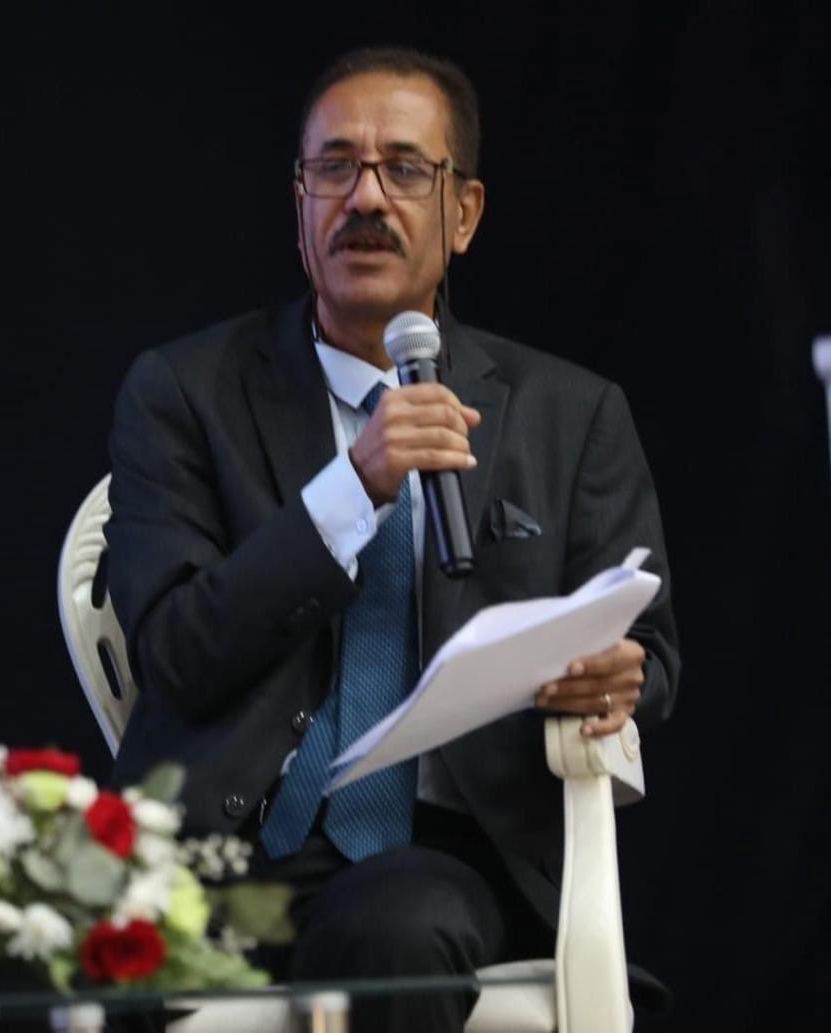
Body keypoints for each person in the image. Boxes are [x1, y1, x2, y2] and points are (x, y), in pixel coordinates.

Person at [103, 46, 679, 1032]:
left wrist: (615, 675)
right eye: (335, 167)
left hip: (455, 852)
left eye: (404, 168)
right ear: (299, 204)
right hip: (229, 854)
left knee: (399, 923)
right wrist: (353, 487)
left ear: (463, 213)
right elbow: (175, 656)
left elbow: (651, 656)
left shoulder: (570, 413)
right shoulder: (184, 392)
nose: (365, 197)